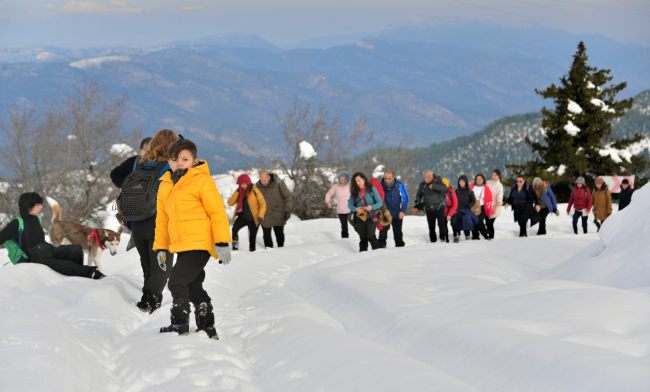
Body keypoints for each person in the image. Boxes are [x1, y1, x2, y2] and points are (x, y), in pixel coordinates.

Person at [154, 139, 231, 339]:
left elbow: (217, 212)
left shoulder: (202, 180)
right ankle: (207, 326)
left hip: (200, 242)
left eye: (185, 159)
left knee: (176, 282)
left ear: (194, 161)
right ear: (168, 161)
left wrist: (222, 242)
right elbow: (163, 219)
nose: (179, 163)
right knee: (191, 285)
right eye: (174, 159)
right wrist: (161, 247)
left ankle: (179, 323)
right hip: (182, 244)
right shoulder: (166, 184)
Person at [126, 130, 178, 313]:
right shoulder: (171, 166)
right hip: (159, 224)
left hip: (138, 222)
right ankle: (147, 302)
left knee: (149, 267)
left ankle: (153, 303)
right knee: (162, 269)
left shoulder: (140, 164)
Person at [0, 192, 104, 279]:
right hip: (36, 256)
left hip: (47, 248)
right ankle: (92, 274)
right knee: (65, 264)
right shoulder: (17, 223)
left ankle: (76, 277)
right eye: (37, 205)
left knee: (75, 250)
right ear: (29, 206)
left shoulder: (37, 219)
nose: (41, 207)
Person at [227, 174, 266, 252]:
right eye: (242, 184)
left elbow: (263, 204)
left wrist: (260, 216)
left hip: (253, 218)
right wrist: (237, 192)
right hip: (243, 217)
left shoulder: (255, 190)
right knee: (234, 229)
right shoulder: (239, 192)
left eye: (245, 184)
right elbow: (230, 203)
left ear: (248, 183)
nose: (244, 186)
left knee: (252, 238)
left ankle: (252, 253)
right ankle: (235, 248)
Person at [256, 170, 292, 248]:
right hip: (265, 216)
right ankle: (269, 255)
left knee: (280, 236)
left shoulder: (278, 183)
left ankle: (281, 251)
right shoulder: (258, 186)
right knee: (266, 238)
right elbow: (255, 202)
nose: (263, 183)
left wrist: (287, 210)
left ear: (269, 177)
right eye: (262, 181)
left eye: (265, 181)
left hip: (278, 214)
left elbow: (287, 197)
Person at [348, 172, 383, 252]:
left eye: (359, 180)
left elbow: (380, 202)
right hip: (360, 215)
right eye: (356, 182)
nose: (357, 183)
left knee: (371, 236)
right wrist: (356, 209)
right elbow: (350, 205)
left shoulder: (371, 189)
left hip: (373, 213)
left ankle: (377, 254)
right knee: (363, 237)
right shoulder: (354, 191)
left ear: (364, 179)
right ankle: (362, 257)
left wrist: (371, 207)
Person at [415, 170, 449, 243]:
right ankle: (433, 241)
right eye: (425, 177)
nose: (426, 179)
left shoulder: (438, 181)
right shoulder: (422, 185)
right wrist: (418, 202)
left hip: (439, 207)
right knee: (431, 226)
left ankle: (443, 238)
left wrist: (434, 186)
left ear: (432, 176)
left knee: (441, 224)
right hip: (429, 208)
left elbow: (445, 189)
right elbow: (419, 194)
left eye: (428, 177)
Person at [379, 170, 409, 248]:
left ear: (393, 178)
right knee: (382, 234)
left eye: (389, 179)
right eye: (385, 178)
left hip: (397, 213)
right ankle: (380, 251)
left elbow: (405, 198)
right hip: (385, 214)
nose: (387, 180)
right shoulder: (380, 186)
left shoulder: (399, 185)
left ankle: (400, 251)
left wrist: (402, 211)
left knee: (398, 234)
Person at [325, 172, 352, 238]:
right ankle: (345, 241)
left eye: (344, 179)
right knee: (344, 227)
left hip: (351, 210)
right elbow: (328, 194)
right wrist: (328, 202)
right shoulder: (336, 187)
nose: (343, 181)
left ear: (347, 179)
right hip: (341, 210)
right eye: (341, 179)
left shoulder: (351, 186)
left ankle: (361, 239)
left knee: (356, 225)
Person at [469, 174, 492, 240]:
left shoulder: (486, 188)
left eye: (480, 179)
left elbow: (490, 200)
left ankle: (485, 234)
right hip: (473, 207)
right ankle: (475, 236)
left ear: (483, 180)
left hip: (482, 207)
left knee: (479, 221)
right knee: (473, 221)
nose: (478, 180)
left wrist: (490, 212)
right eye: (477, 179)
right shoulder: (472, 187)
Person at [455, 175, 478, 239]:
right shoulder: (456, 191)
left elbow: (473, 201)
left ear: (465, 182)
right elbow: (454, 200)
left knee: (466, 222)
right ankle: (457, 235)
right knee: (457, 223)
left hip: (466, 210)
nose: (461, 183)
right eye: (460, 181)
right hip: (458, 210)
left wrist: (469, 206)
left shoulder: (470, 191)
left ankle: (467, 235)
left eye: (462, 181)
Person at [486, 170, 504, 239]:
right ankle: (488, 236)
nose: (493, 177)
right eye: (492, 175)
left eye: (495, 175)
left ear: (499, 176)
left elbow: (499, 199)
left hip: (495, 207)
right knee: (487, 222)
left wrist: (494, 208)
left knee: (490, 223)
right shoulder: (488, 182)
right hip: (487, 206)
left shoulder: (499, 186)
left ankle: (491, 237)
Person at [442, 178, 459, 243]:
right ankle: (445, 236)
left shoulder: (452, 192)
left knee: (453, 222)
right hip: (444, 210)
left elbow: (455, 204)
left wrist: (450, 214)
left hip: (452, 209)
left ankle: (456, 235)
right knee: (443, 224)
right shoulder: (440, 193)